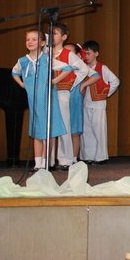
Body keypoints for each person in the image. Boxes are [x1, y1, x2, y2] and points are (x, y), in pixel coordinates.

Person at [12, 29, 72, 171]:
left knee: (49, 131)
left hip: (48, 100)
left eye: (34, 39)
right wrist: (23, 84)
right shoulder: (23, 61)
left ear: (42, 43)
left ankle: (45, 161)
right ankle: (37, 163)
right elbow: (14, 72)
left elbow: (68, 68)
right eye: (28, 40)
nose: (30, 42)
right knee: (36, 131)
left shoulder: (47, 58)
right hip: (34, 102)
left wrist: (54, 80)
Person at [51, 22, 92, 170]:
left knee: (64, 125)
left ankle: (65, 159)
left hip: (62, 91)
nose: (51, 36)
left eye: (55, 33)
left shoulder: (68, 54)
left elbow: (84, 70)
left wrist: (72, 84)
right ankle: (48, 161)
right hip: (48, 92)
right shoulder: (46, 52)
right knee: (49, 126)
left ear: (64, 37)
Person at [81, 40, 120, 164]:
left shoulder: (102, 67)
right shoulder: (83, 67)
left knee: (99, 130)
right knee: (86, 131)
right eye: (84, 54)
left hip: (98, 103)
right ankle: (88, 156)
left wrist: (105, 93)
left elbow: (115, 81)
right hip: (85, 103)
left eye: (89, 53)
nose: (86, 56)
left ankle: (100, 157)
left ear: (96, 54)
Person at [64, 43, 100, 164]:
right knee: (62, 130)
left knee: (74, 130)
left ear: (78, 55)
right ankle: (62, 158)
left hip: (74, 99)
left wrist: (83, 85)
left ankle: (74, 158)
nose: (67, 55)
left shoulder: (80, 66)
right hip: (62, 99)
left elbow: (95, 75)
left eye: (70, 52)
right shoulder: (60, 65)